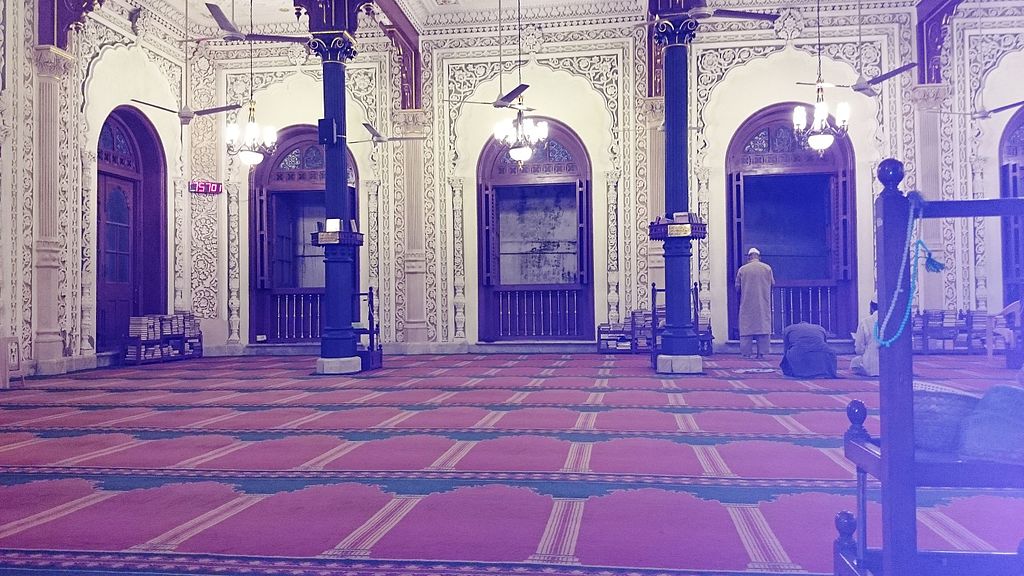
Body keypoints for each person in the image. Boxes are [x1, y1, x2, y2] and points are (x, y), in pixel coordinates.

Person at [735, 247, 774, 358]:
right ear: (759, 257)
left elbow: (737, 287)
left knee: (746, 329)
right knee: (763, 328)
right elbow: (772, 283)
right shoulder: (767, 268)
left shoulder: (743, 269)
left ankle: (746, 353)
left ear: (749, 257)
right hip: (763, 303)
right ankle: (761, 353)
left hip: (747, 304)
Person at [851, 301, 879, 377]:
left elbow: (859, 349)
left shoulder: (865, 321)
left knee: (855, 362)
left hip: (871, 365)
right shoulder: (892, 321)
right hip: (892, 365)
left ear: (872, 308)